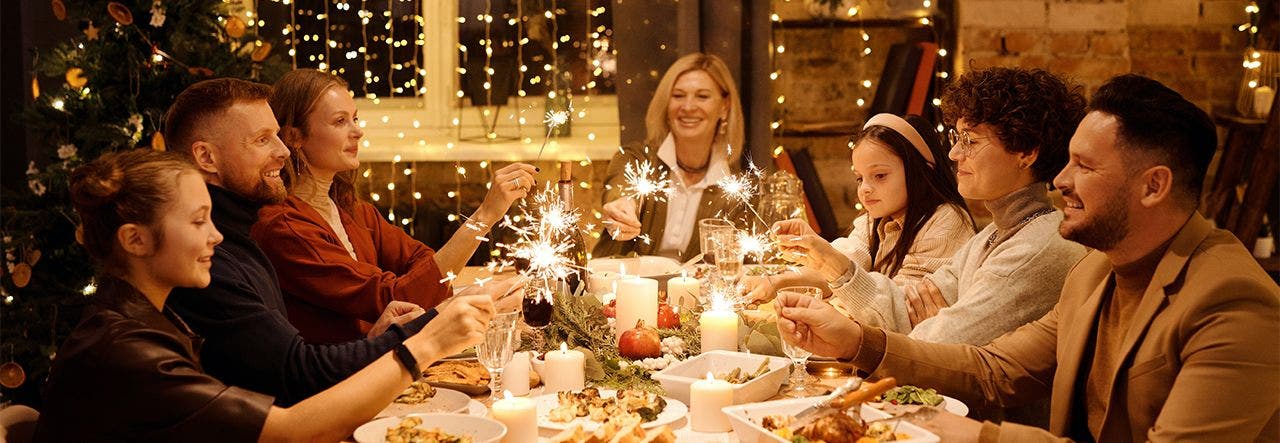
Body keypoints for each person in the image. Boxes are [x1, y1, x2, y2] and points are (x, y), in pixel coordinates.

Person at [775, 74, 1280, 442]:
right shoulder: (1097, 271)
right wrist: (856, 341)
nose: (1060, 181)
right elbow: (992, 369)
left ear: (1154, 186)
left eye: (1084, 167)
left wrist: (973, 436)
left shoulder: (1233, 302)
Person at [35, 149, 495, 442]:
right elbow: (288, 431)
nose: (216, 236)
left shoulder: (150, 317)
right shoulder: (125, 349)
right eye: (198, 222)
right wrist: (426, 344)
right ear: (135, 240)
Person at [160, 78, 519, 406]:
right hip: (330, 399)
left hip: (353, 380)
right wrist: (438, 322)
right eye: (262, 139)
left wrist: (380, 336)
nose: (282, 150)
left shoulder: (345, 210)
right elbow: (297, 374)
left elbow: (424, 269)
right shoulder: (261, 234)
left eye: (355, 118)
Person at [774, 68, 1088, 346]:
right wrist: (830, 262)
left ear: (1026, 152)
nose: (953, 154)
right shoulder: (994, 234)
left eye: (970, 141)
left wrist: (864, 331)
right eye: (957, 137)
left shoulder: (1037, 245)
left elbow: (939, 344)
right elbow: (904, 309)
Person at [252, 69, 535, 343]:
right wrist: (485, 215)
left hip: (384, 353)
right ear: (294, 137)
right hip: (348, 377)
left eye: (355, 118)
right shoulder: (285, 227)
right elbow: (394, 295)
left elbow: (422, 261)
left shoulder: (348, 206)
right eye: (340, 122)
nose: (357, 132)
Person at [743, 113, 976, 307]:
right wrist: (776, 281)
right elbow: (846, 262)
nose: (865, 189)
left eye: (880, 176)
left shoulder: (947, 221)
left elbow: (903, 308)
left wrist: (825, 256)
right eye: (859, 178)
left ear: (920, 171)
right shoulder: (873, 220)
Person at [593, 52, 747, 262]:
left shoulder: (736, 190)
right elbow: (621, 188)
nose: (688, 107)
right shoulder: (636, 158)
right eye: (678, 96)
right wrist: (621, 208)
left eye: (702, 96)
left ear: (724, 106)